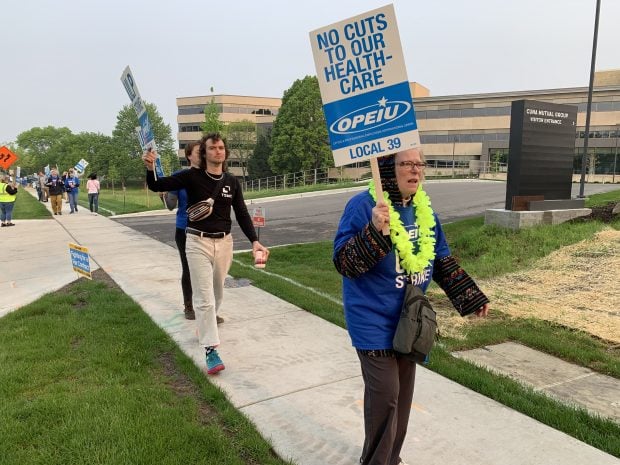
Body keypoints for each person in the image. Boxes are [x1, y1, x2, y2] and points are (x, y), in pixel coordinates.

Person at [333, 148, 490, 465]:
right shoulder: (363, 207)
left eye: (420, 164)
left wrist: (470, 296)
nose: (416, 170)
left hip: (411, 319)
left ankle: (391, 458)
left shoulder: (424, 211)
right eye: (407, 163)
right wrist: (373, 231)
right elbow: (344, 263)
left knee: (403, 397)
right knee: (386, 395)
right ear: (389, 169)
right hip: (372, 317)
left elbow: (441, 259)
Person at [142, 133, 269, 374]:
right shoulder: (191, 177)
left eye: (221, 148)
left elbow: (241, 212)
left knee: (218, 292)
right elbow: (157, 185)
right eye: (212, 148)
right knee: (204, 297)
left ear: (225, 152)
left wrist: (255, 241)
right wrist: (150, 168)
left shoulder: (231, 181)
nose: (218, 151)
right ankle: (211, 350)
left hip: (224, 243)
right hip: (196, 242)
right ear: (204, 153)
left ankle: (205, 324)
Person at [161, 141, 223, 324]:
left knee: (211, 272)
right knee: (189, 270)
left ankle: (208, 310)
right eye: (199, 152)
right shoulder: (179, 177)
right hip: (185, 230)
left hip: (209, 230)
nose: (203, 155)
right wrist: (165, 194)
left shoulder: (211, 175)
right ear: (189, 155)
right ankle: (189, 306)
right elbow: (171, 205)